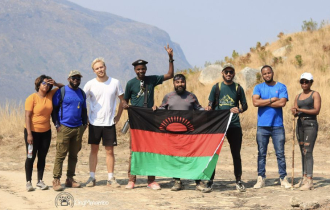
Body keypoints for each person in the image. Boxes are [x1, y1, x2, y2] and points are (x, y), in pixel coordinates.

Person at [122, 44, 174, 190]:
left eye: (143, 69)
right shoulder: (131, 83)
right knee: (134, 150)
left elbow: (170, 75)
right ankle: (132, 179)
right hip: (136, 121)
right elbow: (124, 99)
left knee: (151, 150)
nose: (141, 71)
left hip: (150, 120)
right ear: (135, 70)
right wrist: (125, 105)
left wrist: (170, 59)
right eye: (138, 69)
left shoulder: (152, 80)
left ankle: (151, 180)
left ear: (146, 69)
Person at [155, 74, 211, 193]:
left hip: (189, 133)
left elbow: (199, 109)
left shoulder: (191, 96)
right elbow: (162, 110)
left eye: (182, 82)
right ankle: (177, 181)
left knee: (193, 157)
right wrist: (155, 109)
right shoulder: (168, 97)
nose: (180, 84)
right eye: (177, 82)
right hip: (173, 134)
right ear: (173, 83)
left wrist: (205, 110)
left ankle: (198, 182)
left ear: (185, 83)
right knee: (175, 157)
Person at [205, 63, 248, 192]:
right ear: (222, 73)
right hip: (219, 125)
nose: (228, 74)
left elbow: (245, 105)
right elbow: (210, 105)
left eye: (231, 72)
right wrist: (208, 108)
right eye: (226, 72)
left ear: (234, 74)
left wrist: (239, 109)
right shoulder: (216, 87)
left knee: (236, 153)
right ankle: (209, 180)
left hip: (234, 125)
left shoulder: (238, 88)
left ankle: (238, 180)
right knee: (213, 154)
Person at [83, 57, 125, 187]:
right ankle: (92, 177)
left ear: (105, 67)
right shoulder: (90, 84)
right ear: (93, 71)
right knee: (93, 150)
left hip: (109, 123)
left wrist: (118, 117)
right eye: (97, 68)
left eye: (101, 67)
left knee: (110, 151)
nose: (100, 70)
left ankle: (110, 178)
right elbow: (81, 100)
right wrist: (85, 117)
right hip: (94, 123)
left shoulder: (115, 82)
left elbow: (122, 101)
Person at [252, 65, 291, 189]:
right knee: (261, 153)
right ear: (262, 75)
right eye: (264, 74)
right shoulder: (258, 87)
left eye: (269, 73)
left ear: (272, 73)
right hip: (262, 126)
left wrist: (264, 102)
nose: (267, 75)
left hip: (277, 126)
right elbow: (255, 102)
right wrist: (271, 100)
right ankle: (261, 178)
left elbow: (282, 103)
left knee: (280, 153)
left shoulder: (281, 86)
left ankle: (283, 178)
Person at [24, 75, 63, 191]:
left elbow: (64, 88)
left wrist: (55, 83)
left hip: (46, 132)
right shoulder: (32, 98)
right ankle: (28, 182)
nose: (46, 86)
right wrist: (29, 134)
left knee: (42, 156)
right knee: (30, 156)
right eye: (44, 83)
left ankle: (40, 181)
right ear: (38, 84)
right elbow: (27, 116)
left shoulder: (51, 95)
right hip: (32, 132)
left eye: (48, 84)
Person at [52, 70, 88, 191]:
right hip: (64, 127)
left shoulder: (82, 93)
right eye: (74, 78)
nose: (76, 80)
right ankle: (56, 180)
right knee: (60, 154)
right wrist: (57, 125)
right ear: (69, 79)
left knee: (74, 155)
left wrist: (84, 124)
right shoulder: (61, 92)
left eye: (78, 78)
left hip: (78, 128)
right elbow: (54, 110)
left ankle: (70, 179)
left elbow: (83, 110)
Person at [291, 72, 321, 190]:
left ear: (311, 82)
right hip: (300, 124)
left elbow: (316, 110)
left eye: (306, 81)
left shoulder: (315, 94)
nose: (304, 84)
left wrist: (300, 109)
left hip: (311, 124)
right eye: (302, 82)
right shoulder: (297, 96)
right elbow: (296, 111)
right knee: (302, 151)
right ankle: (303, 178)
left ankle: (310, 180)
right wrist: (294, 111)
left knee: (308, 151)